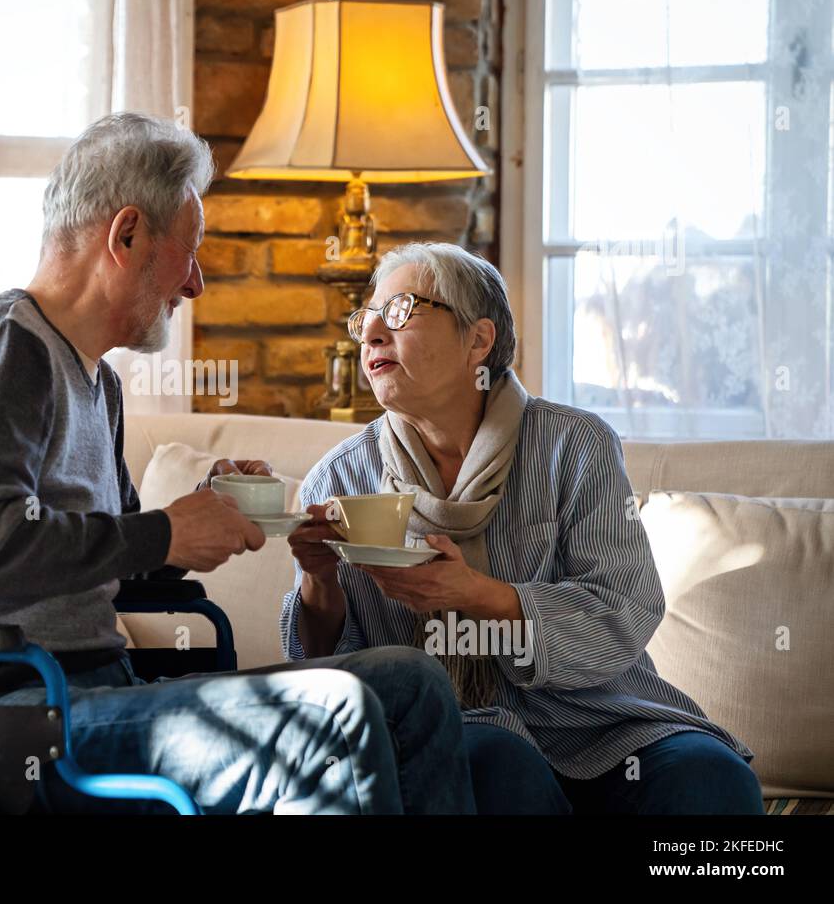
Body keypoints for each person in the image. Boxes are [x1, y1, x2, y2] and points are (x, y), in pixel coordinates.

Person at [0, 112, 476, 814]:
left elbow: (111, 553)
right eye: (191, 251)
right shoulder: (5, 353)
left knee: (413, 685)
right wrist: (165, 533)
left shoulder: (96, 382)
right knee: (335, 712)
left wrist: (199, 516)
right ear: (126, 237)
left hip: (91, 691)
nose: (197, 283)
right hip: (3, 712)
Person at [284, 241, 764, 815]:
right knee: (492, 764)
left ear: (478, 341)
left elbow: (625, 611)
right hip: (459, 730)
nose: (371, 336)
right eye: (366, 320)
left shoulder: (575, 446)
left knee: (712, 781)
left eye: (400, 311)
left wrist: (483, 597)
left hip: (602, 726)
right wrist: (320, 581)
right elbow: (330, 680)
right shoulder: (337, 479)